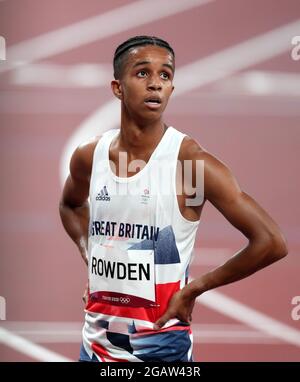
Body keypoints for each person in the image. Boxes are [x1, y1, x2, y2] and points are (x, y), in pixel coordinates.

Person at [59, 36, 288, 362]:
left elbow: (270, 241)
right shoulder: (90, 156)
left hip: (161, 351)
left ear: (172, 89)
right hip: (95, 347)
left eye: (165, 75)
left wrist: (194, 289)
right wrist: (89, 254)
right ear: (117, 88)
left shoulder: (190, 164)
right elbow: (70, 204)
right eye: (142, 73)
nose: (155, 84)